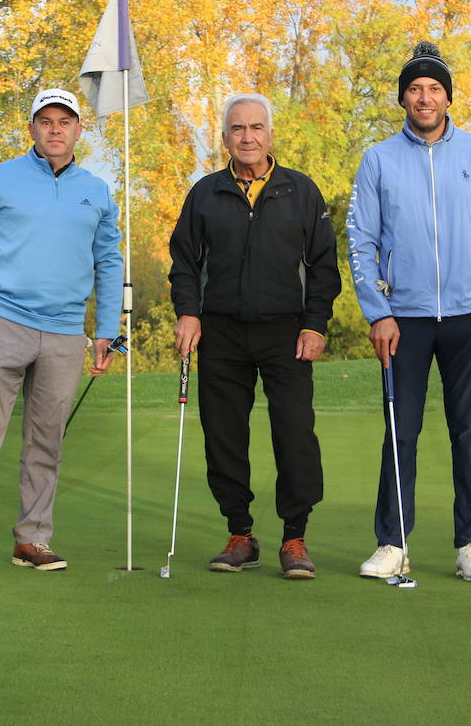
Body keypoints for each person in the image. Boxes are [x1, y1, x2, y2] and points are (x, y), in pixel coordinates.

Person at [346, 41, 471, 582]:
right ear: (404, 98)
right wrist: (378, 311)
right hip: (404, 319)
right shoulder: (378, 158)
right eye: (415, 89)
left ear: (447, 98)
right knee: (401, 431)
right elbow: (360, 240)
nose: (425, 97)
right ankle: (392, 543)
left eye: (434, 89)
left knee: (468, 432)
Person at [0, 88, 123, 575]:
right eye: (45, 121)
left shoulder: (98, 190)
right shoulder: (1, 178)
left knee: (47, 442)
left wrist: (107, 329)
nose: (55, 129)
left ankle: (33, 538)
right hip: (1, 322)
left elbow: (109, 261)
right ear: (32, 129)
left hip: (66, 334)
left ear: (79, 130)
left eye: (65, 121)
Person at [169, 93, 341, 580]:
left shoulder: (300, 191)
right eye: (238, 129)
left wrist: (315, 322)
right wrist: (188, 313)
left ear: (270, 134)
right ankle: (241, 534)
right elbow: (184, 263)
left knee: (294, 434)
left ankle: (295, 537)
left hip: (287, 331)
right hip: (220, 330)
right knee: (223, 435)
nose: (248, 136)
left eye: (256, 127)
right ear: (225, 138)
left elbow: (324, 266)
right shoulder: (205, 193)